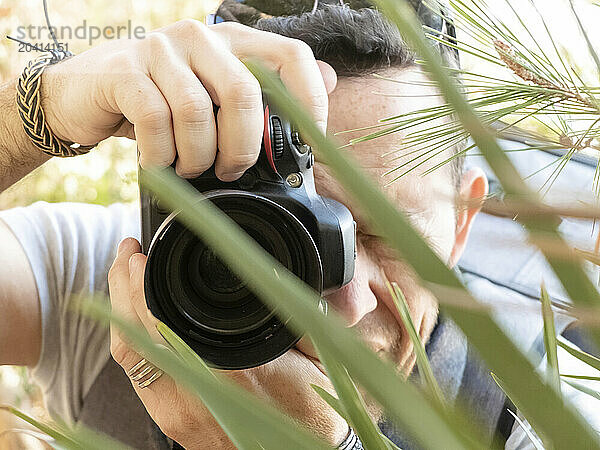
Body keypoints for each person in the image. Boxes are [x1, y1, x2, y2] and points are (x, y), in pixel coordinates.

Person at [0, 2, 597, 449]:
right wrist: (36, 113)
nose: (342, 304)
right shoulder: (110, 285)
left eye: (386, 235)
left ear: (462, 221)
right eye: (280, 228)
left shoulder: (524, 418)